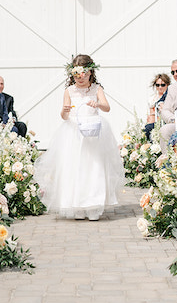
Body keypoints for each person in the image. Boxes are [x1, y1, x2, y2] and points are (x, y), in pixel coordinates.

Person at [33, 54, 124, 220]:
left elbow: (107, 107)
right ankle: (77, 206)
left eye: (83, 74)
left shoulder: (97, 89)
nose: (80, 78)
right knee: (75, 168)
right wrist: (64, 111)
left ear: (90, 73)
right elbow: (64, 116)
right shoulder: (69, 91)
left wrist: (97, 104)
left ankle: (93, 206)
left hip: (94, 133)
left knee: (93, 168)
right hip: (73, 132)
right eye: (76, 75)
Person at [144, 73, 171, 139]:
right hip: (155, 122)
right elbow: (151, 115)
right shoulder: (152, 98)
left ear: (167, 85)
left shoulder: (170, 96)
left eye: (163, 85)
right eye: (157, 85)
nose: (160, 87)